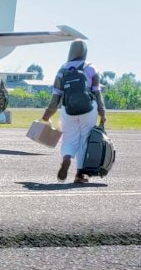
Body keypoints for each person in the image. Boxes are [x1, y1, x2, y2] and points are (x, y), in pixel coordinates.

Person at [41, 39, 107, 183]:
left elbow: (56, 96)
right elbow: (97, 92)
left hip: (68, 110)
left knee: (69, 139)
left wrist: (47, 114)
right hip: (89, 110)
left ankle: (66, 159)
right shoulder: (91, 68)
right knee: (84, 140)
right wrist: (102, 112)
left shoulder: (62, 70)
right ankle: (79, 175)